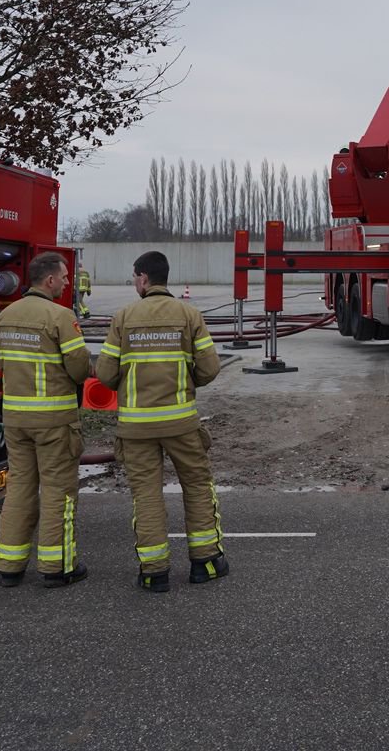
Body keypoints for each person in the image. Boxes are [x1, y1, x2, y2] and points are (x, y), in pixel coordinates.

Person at [96, 250, 226, 592]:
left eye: (134, 278)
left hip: (136, 428)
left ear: (142, 278)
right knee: (197, 486)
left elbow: (105, 374)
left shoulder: (123, 317)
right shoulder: (189, 314)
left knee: (147, 495)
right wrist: (186, 382)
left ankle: (155, 573)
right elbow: (211, 368)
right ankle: (206, 563)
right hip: (182, 424)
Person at [0, 251, 91, 587]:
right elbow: (78, 369)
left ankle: (9, 565)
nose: (66, 283)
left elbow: (2, 365)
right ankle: (56, 567)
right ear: (49, 280)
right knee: (57, 491)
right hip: (53, 420)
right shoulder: (60, 317)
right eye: (64, 277)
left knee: (19, 487)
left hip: (16, 420)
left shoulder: (4, 318)